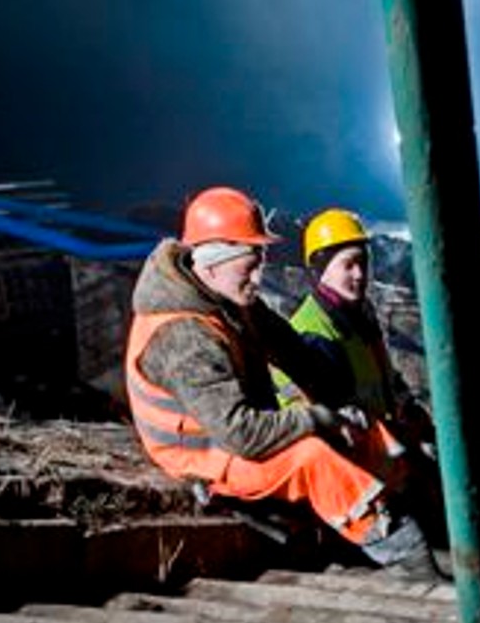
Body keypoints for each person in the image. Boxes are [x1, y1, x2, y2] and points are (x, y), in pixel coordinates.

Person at [124, 186, 437, 573]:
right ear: (210, 265)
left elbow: (299, 357)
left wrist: (347, 412)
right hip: (203, 453)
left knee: (373, 437)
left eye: (261, 260)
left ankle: (414, 518)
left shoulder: (231, 299)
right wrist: (317, 419)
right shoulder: (183, 335)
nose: (259, 276)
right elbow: (242, 435)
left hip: (238, 431)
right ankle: (411, 562)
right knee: (313, 458)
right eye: (249, 264)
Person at [274, 208, 445, 544]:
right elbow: (338, 422)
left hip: (377, 443)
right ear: (321, 268)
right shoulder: (314, 331)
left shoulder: (357, 315)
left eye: (363, 263)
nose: (360, 274)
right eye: (348, 264)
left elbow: (385, 378)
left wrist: (410, 411)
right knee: (425, 497)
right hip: (346, 463)